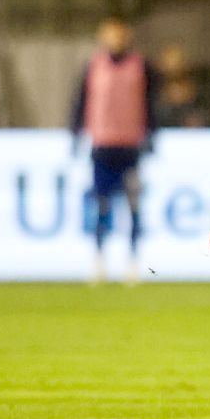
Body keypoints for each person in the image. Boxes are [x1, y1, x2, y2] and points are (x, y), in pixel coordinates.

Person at [71, 17, 158, 284]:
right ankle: (99, 260)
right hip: (103, 146)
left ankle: (132, 261)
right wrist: (75, 133)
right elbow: (81, 101)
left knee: (133, 206)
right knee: (102, 205)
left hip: (130, 147)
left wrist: (152, 135)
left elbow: (150, 103)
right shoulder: (94, 66)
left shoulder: (141, 66)